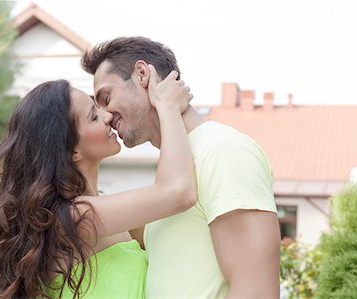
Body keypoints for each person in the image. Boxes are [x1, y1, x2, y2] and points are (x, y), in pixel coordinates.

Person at [82, 36, 281, 299]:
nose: (105, 115)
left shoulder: (222, 150)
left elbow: (255, 291)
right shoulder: (172, 173)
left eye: (106, 97)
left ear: (142, 74)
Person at [0, 68, 195, 298]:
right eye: (94, 116)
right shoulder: (68, 219)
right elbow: (178, 192)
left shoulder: (111, 215)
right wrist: (168, 107)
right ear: (72, 149)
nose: (107, 116)